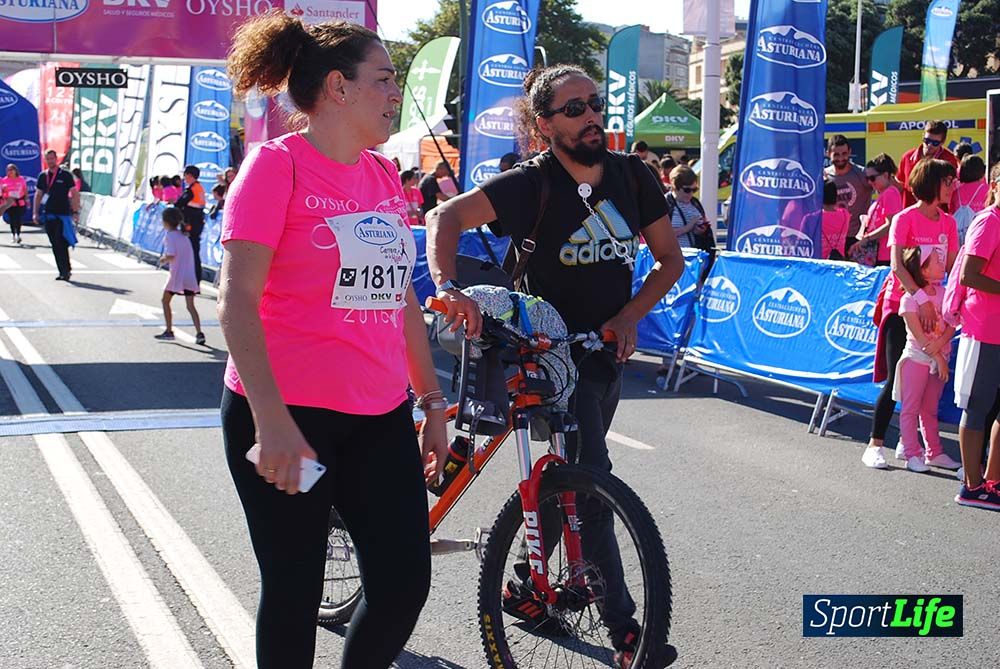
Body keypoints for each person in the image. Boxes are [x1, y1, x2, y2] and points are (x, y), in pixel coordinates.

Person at [425, 63, 683, 667]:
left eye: (595, 104)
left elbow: (669, 259)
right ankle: (626, 631)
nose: (590, 116)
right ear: (544, 126)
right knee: (591, 477)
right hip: (539, 351)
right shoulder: (530, 183)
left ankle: (529, 590)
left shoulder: (630, 175)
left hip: (602, 353)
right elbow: (445, 217)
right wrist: (448, 286)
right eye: (573, 109)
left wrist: (628, 316)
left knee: (568, 475)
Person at [220, 12, 446, 668]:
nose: (394, 93)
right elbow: (235, 304)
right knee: (294, 590)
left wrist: (430, 401)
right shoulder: (274, 168)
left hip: (378, 414)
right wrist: (273, 421)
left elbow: (398, 294)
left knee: (405, 583)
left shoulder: (381, 176)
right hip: (286, 413)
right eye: (384, 79)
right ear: (339, 90)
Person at [863, 159, 959, 469]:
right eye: (947, 181)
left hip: (935, 307)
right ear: (932, 183)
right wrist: (920, 298)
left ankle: (913, 445)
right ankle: (875, 444)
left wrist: (949, 304)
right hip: (901, 305)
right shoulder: (905, 218)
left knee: (930, 382)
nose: (952, 186)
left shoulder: (949, 222)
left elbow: (954, 267)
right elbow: (897, 266)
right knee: (898, 379)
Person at [953, 182, 1000, 509]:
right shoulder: (989, 220)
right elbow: (970, 275)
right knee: (978, 407)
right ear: (995, 186)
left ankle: (992, 482)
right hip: (984, 327)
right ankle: (972, 486)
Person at [894, 246, 959, 472]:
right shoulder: (909, 300)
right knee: (910, 408)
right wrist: (939, 358)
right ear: (922, 270)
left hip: (939, 357)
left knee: (929, 409)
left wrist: (941, 351)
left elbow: (953, 322)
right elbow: (919, 337)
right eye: (937, 261)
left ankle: (935, 452)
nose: (943, 263)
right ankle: (912, 453)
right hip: (917, 359)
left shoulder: (944, 293)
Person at [156, 207, 206, 345]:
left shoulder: (170, 236)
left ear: (166, 222)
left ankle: (169, 330)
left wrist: (163, 259)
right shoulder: (184, 236)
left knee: (165, 301)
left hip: (177, 276)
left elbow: (171, 254)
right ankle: (199, 332)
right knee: (190, 306)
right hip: (189, 275)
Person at [33, 149, 79, 281]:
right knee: (54, 244)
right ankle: (62, 270)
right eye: (48, 159)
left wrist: (75, 211)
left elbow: (74, 193)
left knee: (61, 242)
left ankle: (66, 270)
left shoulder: (65, 175)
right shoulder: (43, 176)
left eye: (52, 158)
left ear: (56, 159)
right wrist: (35, 213)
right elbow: (38, 194)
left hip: (62, 215)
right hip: (48, 215)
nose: (50, 161)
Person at [852, 153, 904, 266]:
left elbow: (890, 225)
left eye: (872, 178)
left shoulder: (891, 193)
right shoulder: (884, 194)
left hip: (885, 254)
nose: (870, 182)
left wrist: (867, 238)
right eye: (867, 178)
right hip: (878, 253)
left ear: (885, 175)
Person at [824, 134, 872, 251]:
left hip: (856, 237)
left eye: (844, 154)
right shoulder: (823, 176)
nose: (841, 158)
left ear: (850, 152)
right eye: (836, 154)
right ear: (828, 153)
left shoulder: (862, 174)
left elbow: (886, 189)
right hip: (831, 239)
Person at [897, 120, 959, 209]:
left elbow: (952, 189)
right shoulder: (907, 157)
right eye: (927, 140)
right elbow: (900, 186)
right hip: (910, 215)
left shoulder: (949, 159)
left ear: (943, 142)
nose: (929, 145)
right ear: (923, 136)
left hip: (937, 216)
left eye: (935, 143)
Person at [177, 165, 207, 282]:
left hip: (191, 224)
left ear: (189, 175)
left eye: (185, 175)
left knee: (191, 252)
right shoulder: (199, 187)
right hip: (196, 223)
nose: (184, 178)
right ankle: (193, 279)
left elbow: (179, 204)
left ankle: (192, 280)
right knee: (193, 252)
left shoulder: (192, 190)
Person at [666, 165, 707, 249]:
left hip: (694, 257)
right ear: (675, 187)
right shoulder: (665, 203)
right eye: (687, 190)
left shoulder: (695, 203)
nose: (691, 194)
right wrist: (688, 227)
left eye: (694, 190)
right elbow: (660, 236)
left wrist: (701, 230)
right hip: (673, 256)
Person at [949, 154, 988, 242]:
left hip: (959, 235)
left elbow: (951, 211)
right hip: (981, 232)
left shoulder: (955, 192)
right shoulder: (987, 189)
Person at [820, 180, 849, 260]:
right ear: (836, 197)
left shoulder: (812, 218)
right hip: (839, 261)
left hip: (819, 263)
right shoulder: (845, 214)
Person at [1, 164, 27, 244]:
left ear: (15, 170)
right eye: (8, 170)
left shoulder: (21, 179)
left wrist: (27, 200)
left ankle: (18, 235)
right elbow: (2, 192)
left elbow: (25, 190)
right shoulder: (4, 180)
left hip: (20, 202)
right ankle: (13, 235)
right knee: (12, 220)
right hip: (10, 203)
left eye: (12, 169)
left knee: (18, 219)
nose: (10, 171)